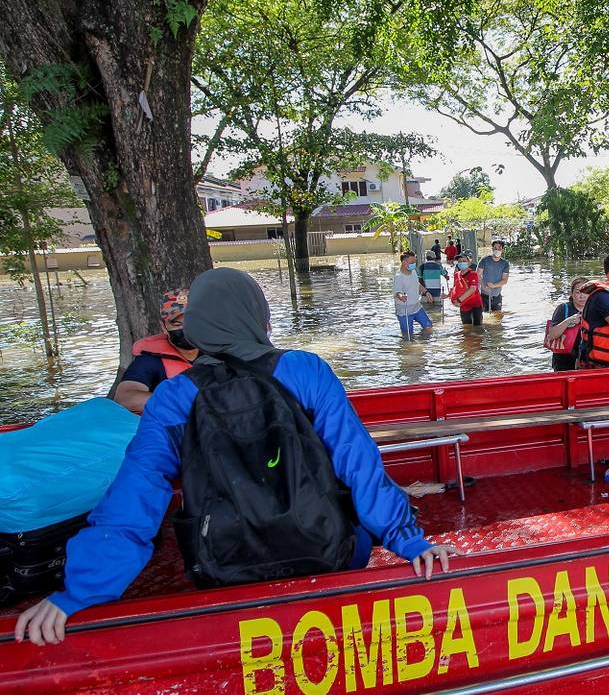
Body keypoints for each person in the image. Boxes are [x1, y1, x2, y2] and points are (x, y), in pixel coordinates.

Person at [13, 267, 459, 646]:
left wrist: (78, 594)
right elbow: (358, 465)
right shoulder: (305, 371)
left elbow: (134, 496)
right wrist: (409, 541)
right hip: (330, 551)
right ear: (258, 316)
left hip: (221, 567)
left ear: (197, 325)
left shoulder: (172, 398)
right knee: (353, 506)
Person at [114, 288, 199, 414]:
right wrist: (180, 402)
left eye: (193, 321)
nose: (186, 328)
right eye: (177, 324)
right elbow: (125, 398)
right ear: (164, 327)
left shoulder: (220, 351)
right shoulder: (150, 360)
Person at [545, 277, 590, 372]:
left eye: (585, 292)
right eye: (578, 292)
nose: (582, 296)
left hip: (587, 360)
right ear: (571, 294)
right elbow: (551, 335)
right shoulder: (563, 308)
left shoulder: (594, 309)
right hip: (563, 361)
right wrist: (568, 321)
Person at [394, 251, 433, 338]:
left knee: (429, 327)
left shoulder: (413, 271)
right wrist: (401, 296)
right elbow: (397, 292)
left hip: (417, 307)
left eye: (415, 262)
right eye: (412, 263)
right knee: (408, 336)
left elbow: (417, 284)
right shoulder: (399, 277)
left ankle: (425, 345)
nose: (414, 264)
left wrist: (426, 292)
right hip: (404, 311)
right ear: (404, 262)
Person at [450, 254, 483, 326]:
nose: (462, 263)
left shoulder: (473, 274)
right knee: (466, 327)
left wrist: (459, 300)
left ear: (468, 262)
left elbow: (472, 289)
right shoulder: (456, 275)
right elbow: (455, 287)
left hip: (475, 304)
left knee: (478, 327)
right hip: (463, 304)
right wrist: (448, 296)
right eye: (460, 261)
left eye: (464, 261)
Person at [479, 240, 510, 312]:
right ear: (492, 249)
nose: (497, 250)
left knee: (497, 318)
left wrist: (494, 285)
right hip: (484, 295)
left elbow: (505, 280)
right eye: (495, 248)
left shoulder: (505, 264)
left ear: (502, 250)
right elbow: (477, 275)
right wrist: (484, 287)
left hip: (497, 296)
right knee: (484, 318)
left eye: (499, 248)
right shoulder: (484, 260)